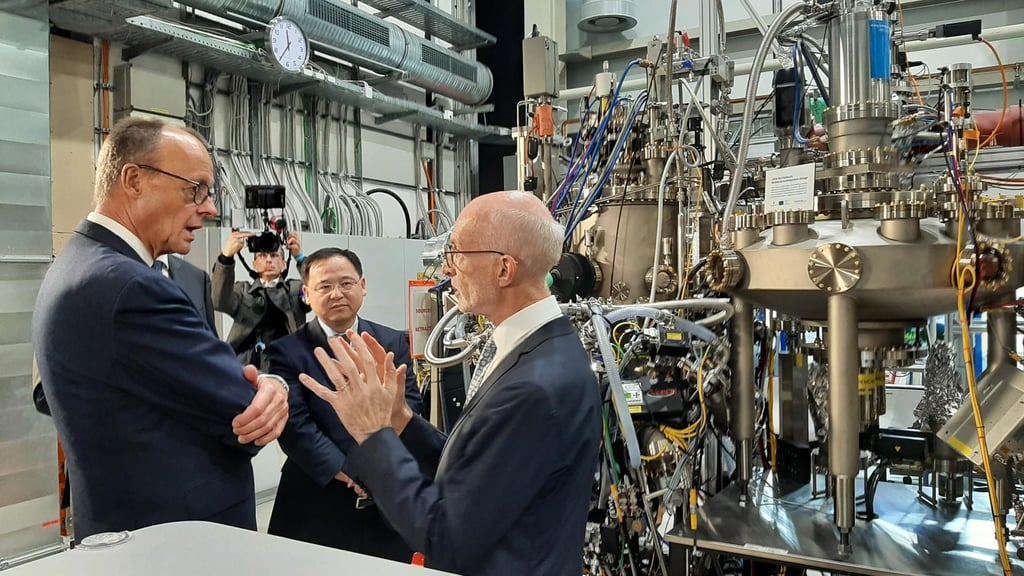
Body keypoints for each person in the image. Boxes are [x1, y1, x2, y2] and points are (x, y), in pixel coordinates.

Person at [300, 191, 601, 576]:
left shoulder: (534, 388)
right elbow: (485, 471)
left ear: (504, 270)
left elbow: (447, 538)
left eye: (456, 253)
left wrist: (373, 433)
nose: (446, 270)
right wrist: (401, 421)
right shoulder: (544, 349)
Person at [32, 117, 289, 541]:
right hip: (175, 538)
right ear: (133, 180)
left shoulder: (77, 264)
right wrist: (273, 386)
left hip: (126, 525)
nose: (209, 208)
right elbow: (245, 416)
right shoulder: (131, 287)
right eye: (196, 189)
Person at [265, 247, 423, 561]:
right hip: (317, 490)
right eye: (325, 286)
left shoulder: (391, 341)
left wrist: (379, 463)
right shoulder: (287, 351)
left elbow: (410, 404)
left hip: (384, 491)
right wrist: (349, 470)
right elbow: (296, 426)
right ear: (308, 294)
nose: (337, 293)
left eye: (346, 283)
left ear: (363, 285)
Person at [212, 229, 309, 371]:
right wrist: (226, 257)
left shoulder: (295, 290)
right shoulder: (244, 292)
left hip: (288, 362)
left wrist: (300, 258)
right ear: (254, 264)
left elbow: (319, 290)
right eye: (262, 256)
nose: (269, 260)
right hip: (246, 365)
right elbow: (219, 300)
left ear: (284, 264)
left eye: (275, 255)